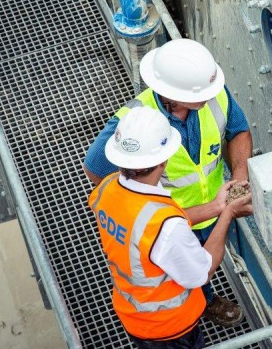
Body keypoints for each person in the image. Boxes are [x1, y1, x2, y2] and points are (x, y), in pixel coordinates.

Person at [84, 38, 252, 327]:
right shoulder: (136, 123)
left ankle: (204, 300)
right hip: (168, 224)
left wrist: (239, 178)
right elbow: (96, 169)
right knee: (182, 271)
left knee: (195, 267)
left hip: (212, 207)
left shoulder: (212, 93)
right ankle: (202, 302)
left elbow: (239, 131)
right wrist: (142, 205)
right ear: (171, 93)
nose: (211, 95)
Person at [88, 106, 253, 348]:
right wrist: (228, 213)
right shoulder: (165, 224)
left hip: (133, 314)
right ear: (163, 161)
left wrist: (216, 207)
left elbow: (151, 225)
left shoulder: (108, 188)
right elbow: (201, 271)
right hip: (169, 329)